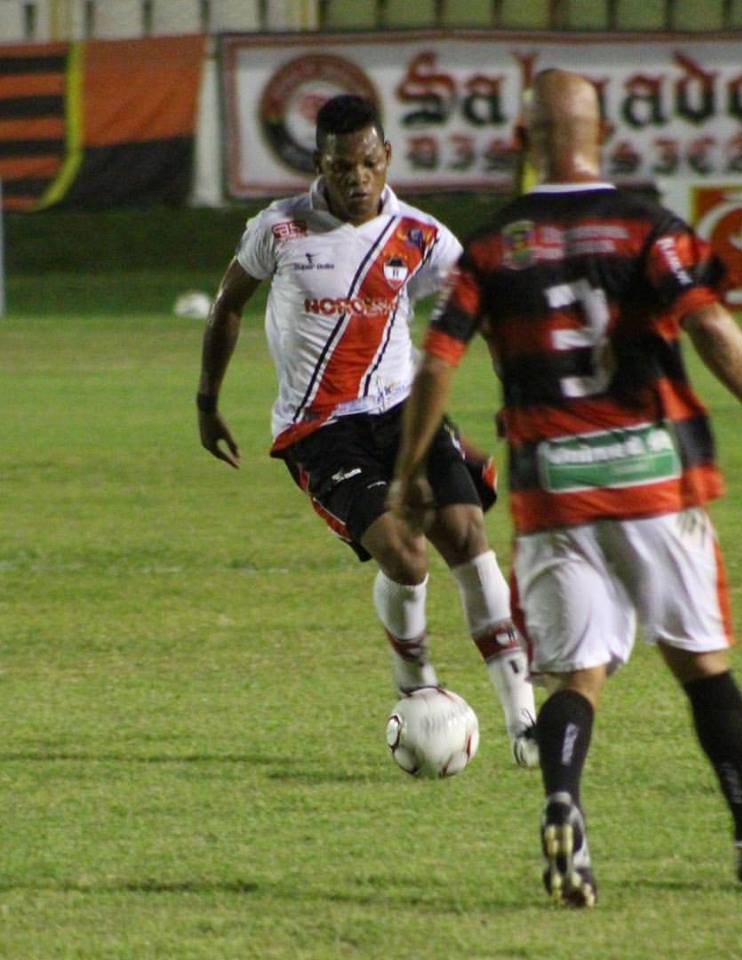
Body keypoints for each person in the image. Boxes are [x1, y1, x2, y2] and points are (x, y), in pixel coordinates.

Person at [389, 70, 742, 906]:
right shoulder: (644, 225)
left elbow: (438, 360)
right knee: (702, 664)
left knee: (577, 677)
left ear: (523, 138)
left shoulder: (492, 245)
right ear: (603, 132)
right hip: (652, 477)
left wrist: (409, 476)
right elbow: (706, 318)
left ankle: (562, 805)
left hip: (554, 490)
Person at [196, 94, 538, 768]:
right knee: (406, 556)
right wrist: (207, 401)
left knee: (467, 535)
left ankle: (523, 719)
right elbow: (229, 304)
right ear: (319, 164)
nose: (357, 178)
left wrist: (518, 396)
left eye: (369, 163)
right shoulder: (280, 230)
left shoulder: (422, 236)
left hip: (405, 412)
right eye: (342, 165)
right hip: (321, 428)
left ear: (387, 159)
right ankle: (416, 684)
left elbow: (486, 311)